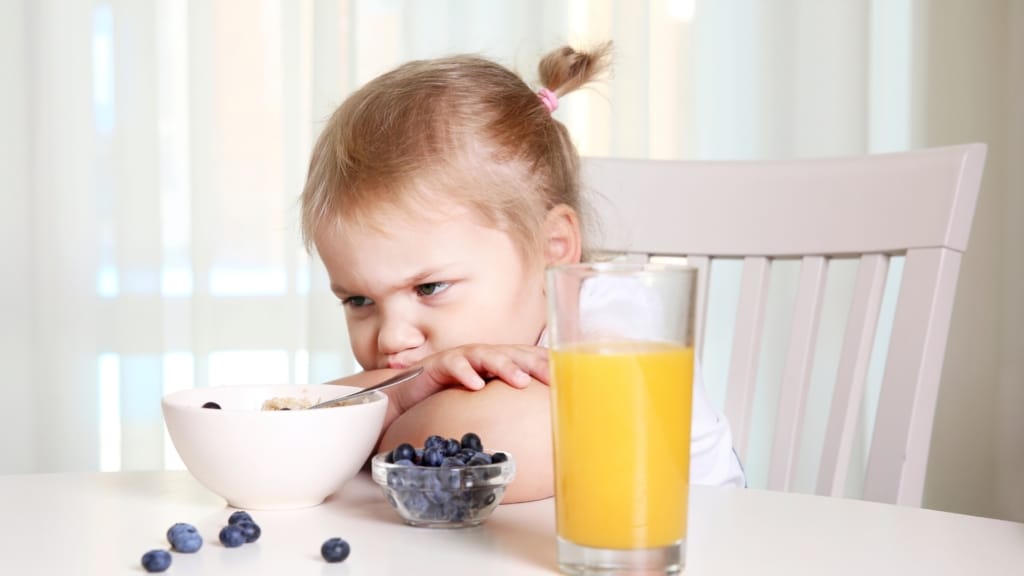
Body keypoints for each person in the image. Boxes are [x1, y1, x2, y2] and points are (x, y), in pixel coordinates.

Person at [299, 43, 745, 503]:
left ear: (552, 251)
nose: (391, 338)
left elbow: (508, 445)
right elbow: (280, 429)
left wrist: (373, 421)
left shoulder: (613, 314)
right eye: (358, 301)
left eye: (429, 288)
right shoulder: (424, 361)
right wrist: (399, 394)